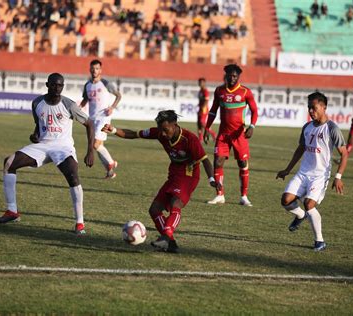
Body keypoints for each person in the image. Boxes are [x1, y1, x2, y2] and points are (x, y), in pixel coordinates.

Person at [102, 110, 220, 253]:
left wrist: (212, 179)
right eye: (160, 130)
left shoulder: (189, 139)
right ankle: (170, 244)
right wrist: (113, 130)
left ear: (174, 124)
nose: (163, 134)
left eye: (165, 130)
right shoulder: (159, 133)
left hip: (189, 175)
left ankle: (165, 236)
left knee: (175, 203)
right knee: (154, 210)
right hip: (174, 174)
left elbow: (205, 161)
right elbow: (134, 134)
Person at [0, 73, 95, 236]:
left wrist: (90, 151)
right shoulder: (37, 103)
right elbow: (38, 125)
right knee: (9, 163)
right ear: (47, 85)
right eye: (54, 85)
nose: (57, 88)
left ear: (63, 87)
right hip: (43, 146)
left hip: (63, 147)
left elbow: (89, 123)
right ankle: (12, 211)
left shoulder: (69, 105)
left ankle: (80, 223)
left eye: (60, 85)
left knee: (73, 175)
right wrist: (35, 135)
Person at [276, 92, 348, 251]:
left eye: (314, 108)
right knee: (285, 200)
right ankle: (300, 216)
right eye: (309, 107)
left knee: (309, 204)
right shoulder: (307, 127)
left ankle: (319, 241)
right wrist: (287, 170)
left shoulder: (332, 128)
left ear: (324, 107)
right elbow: (300, 148)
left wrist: (338, 176)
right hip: (303, 173)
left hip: (320, 176)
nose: (310, 111)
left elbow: (344, 154)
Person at [205, 64, 258, 206]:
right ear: (226, 75)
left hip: (239, 134)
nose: (232, 78)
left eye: (235, 76)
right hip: (223, 134)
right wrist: (207, 127)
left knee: (242, 163)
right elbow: (213, 110)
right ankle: (219, 195)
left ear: (238, 77)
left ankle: (244, 196)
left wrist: (252, 126)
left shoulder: (245, 92)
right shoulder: (219, 91)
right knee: (218, 162)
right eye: (230, 75)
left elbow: (254, 111)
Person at [80, 59, 122, 179]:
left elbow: (119, 95)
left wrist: (112, 108)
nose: (95, 71)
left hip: (104, 117)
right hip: (92, 119)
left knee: (95, 144)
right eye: (93, 68)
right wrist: (78, 109)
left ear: (100, 70)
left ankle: (111, 163)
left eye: (97, 68)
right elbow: (85, 100)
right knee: (99, 146)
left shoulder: (105, 83)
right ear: (90, 69)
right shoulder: (87, 85)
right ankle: (110, 172)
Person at [197, 78, 216, 143]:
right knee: (199, 124)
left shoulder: (205, 91)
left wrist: (203, 107)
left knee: (202, 123)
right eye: (199, 82)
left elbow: (206, 100)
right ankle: (200, 138)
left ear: (204, 83)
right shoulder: (200, 91)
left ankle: (213, 133)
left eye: (201, 82)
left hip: (204, 109)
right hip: (200, 109)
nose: (200, 84)